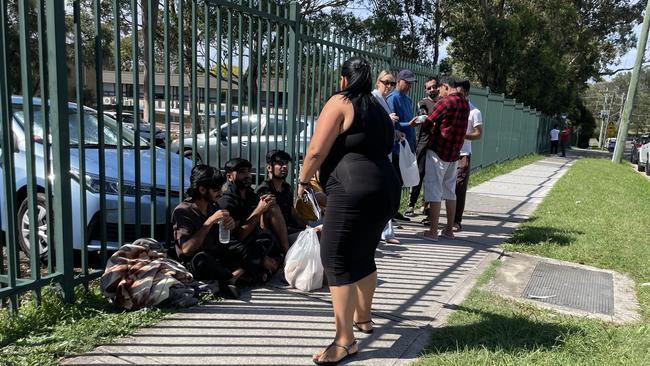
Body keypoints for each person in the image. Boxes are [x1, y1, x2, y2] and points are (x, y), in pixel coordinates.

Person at [298, 56, 400, 365]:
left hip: (352, 188)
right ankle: (364, 319)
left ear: (344, 80)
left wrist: (302, 181)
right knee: (363, 254)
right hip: (386, 187)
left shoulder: (341, 101)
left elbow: (317, 149)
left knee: (334, 258)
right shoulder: (380, 111)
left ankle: (344, 341)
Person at [171, 165, 242, 299]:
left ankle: (230, 278)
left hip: (217, 256)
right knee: (202, 260)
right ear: (202, 189)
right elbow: (186, 250)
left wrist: (230, 225)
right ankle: (233, 277)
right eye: (216, 190)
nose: (220, 193)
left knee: (248, 246)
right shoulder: (183, 211)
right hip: (195, 261)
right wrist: (209, 223)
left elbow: (225, 240)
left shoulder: (213, 206)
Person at [218, 158, 288, 281]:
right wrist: (259, 210)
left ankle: (267, 265)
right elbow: (238, 236)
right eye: (242, 172)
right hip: (236, 248)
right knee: (265, 242)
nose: (247, 175)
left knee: (269, 235)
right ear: (229, 176)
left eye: (249, 172)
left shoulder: (250, 195)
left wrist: (266, 206)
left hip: (256, 241)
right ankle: (241, 274)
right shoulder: (227, 202)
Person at [418, 75, 469, 242]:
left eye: (440, 88)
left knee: (434, 190)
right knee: (450, 191)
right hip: (454, 154)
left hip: (438, 151)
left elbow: (428, 122)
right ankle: (449, 229)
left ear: (446, 87)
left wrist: (429, 126)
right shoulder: (465, 103)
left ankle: (432, 231)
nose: (438, 92)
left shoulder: (445, 102)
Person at [371, 70, 400, 245]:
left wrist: (396, 133)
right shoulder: (374, 98)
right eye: (386, 82)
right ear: (378, 82)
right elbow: (371, 123)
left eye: (392, 84)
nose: (388, 86)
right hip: (377, 154)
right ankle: (384, 232)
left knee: (384, 193)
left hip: (384, 152)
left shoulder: (383, 100)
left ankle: (385, 231)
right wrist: (386, 120)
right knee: (383, 193)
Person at [387, 69, 419, 222]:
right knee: (394, 181)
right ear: (399, 81)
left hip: (407, 145)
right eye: (407, 83)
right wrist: (409, 124)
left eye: (411, 84)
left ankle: (394, 210)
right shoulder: (392, 99)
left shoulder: (407, 99)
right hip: (396, 146)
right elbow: (393, 123)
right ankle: (389, 212)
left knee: (400, 180)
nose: (409, 86)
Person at [406, 76, 439, 218]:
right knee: (419, 173)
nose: (432, 89)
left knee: (433, 177)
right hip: (424, 143)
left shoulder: (443, 103)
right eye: (429, 87)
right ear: (425, 90)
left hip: (438, 145)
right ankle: (411, 204)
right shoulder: (423, 103)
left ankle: (427, 206)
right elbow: (423, 118)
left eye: (434, 86)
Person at [453, 79, 483, 232]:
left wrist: (463, 135)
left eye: (460, 93)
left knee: (459, 187)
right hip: (449, 152)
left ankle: (456, 221)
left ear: (466, 93)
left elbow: (478, 134)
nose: (457, 96)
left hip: (463, 153)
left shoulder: (474, 112)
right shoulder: (452, 108)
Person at [255, 150, 306, 236]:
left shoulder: (286, 188)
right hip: (276, 236)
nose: (285, 166)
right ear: (269, 168)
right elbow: (264, 224)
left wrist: (307, 228)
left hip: (291, 230)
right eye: (280, 163)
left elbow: (292, 213)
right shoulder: (264, 190)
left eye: (286, 163)